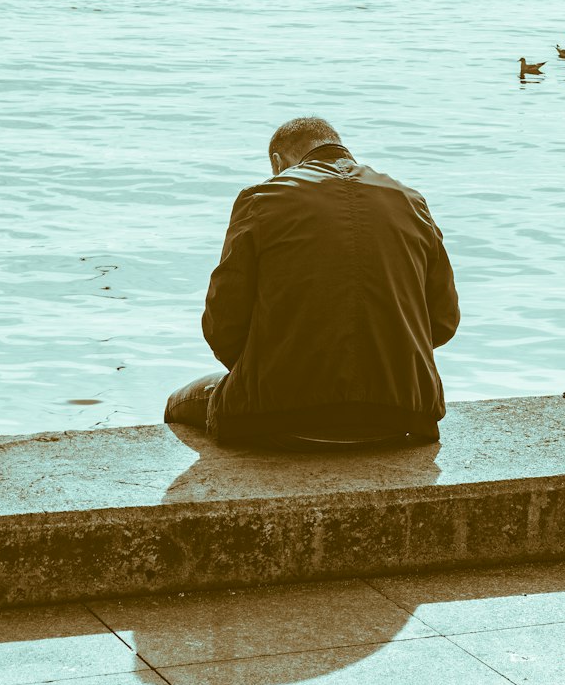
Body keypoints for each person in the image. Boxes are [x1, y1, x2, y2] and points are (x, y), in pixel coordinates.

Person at [164, 117, 460, 450]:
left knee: (177, 404)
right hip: (403, 417)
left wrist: (271, 369)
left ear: (278, 163)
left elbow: (222, 326)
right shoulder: (411, 201)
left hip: (278, 417)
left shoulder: (260, 198)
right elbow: (444, 321)